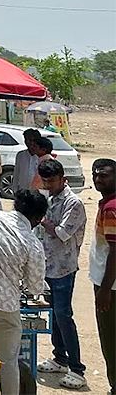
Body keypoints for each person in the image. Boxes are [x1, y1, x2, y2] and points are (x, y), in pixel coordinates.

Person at [0, 190, 48, 395]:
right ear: (37, 219)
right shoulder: (33, 243)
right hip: (7, 305)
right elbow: (35, 288)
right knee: (9, 361)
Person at [35, 158, 88, 388]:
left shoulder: (73, 203)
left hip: (64, 268)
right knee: (55, 315)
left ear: (63, 179)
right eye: (45, 181)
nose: (48, 185)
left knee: (64, 315)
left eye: (52, 181)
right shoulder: (50, 198)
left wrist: (41, 219)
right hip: (48, 265)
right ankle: (60, 358)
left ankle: (77, 368)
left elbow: (63, 233)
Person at [90, 157, 116, 395]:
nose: (98, 179)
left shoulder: (111, 208)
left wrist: (105, 290)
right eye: (96, 174)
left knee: (110, 340)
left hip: (109, 286)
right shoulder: (107, 203)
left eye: (104, 175)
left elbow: (115, 251)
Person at [13, 128, 42, 193]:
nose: (30, 143)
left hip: (38, 192)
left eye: (33, 140)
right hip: (23, 191)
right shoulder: (20, 155)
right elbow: (16, 173)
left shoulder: (41, 156)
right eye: (28, 140)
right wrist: (15, 190)